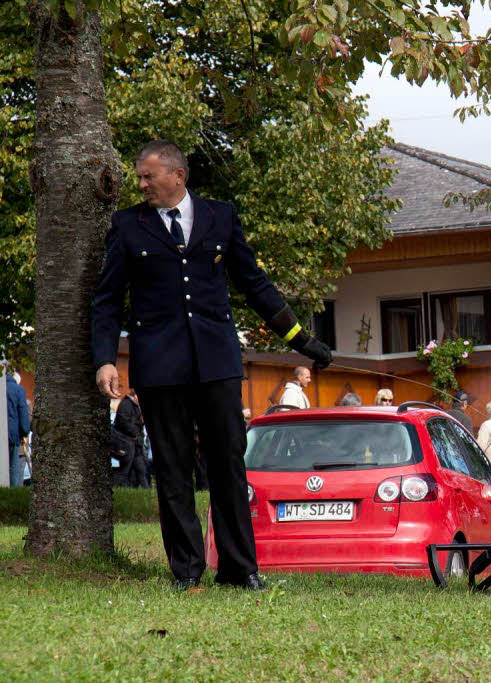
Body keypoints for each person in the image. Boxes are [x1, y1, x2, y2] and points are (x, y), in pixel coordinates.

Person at [91, 139, 332, 591]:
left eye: (149, 176)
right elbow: (106, 301)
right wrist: (105, 360)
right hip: (159, 368)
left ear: (178, 175)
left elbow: (255, 284)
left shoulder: (221, 216)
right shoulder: (127, 226)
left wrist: (302, 340)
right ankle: (186, 571)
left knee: (228, 467)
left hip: (217, 365)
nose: (141, 185)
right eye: (139, 177)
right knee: (174, 469)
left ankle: (241, 570)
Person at [5, 371, 30, 487]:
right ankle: (12, 496)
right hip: (11, 435)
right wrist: (24, 432)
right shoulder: (18, 390)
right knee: (13, 468)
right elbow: (23, 413)